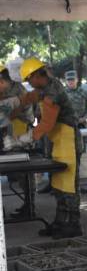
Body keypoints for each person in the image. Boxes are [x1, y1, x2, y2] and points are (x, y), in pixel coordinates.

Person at [18, 58, 82, 238]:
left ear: (37, 75)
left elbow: (47, 122)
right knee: (58, 184)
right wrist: (13, 105)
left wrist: (27, 138)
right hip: (58, 141)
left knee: (69, 185)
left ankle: (74, 224)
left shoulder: (53, 91)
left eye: (29, 79)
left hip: (69, 140)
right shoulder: (43, 88)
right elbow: (29, 98)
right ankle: (61, 222)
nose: (29, 83)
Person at [0, 64, 37, 217]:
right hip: (8, 135)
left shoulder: (19, 91)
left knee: (25, 173)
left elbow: (16, 114)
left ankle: (30, 206)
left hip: (21, 135)